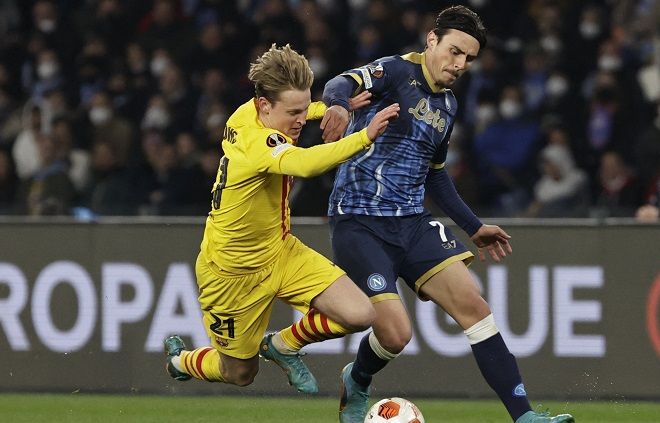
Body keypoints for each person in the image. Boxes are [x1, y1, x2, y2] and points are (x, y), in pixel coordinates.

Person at [320, 6, 574, 423]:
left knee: (475, 308)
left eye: (468, 59)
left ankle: (525, 417)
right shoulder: (395, 72)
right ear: (432, 39)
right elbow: (340, 82)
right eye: (454, 51)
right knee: (397, 334)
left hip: (413, 222)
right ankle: (358, 379)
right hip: (360, 221)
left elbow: (435, 175)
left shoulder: (448, 105)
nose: (459, 64)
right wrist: (338, 106)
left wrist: (474, 227)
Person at [163, 44, 400, 394]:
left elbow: (302, 111)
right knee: (240, 374)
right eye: (293, 112)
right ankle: (180, 361)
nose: (300, 120)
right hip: (231, 275)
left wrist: (332, 107)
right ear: (265, 106)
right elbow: (305, 164)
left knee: (360, 314)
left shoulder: (248, 113)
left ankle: (283, 345)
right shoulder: (259, 144)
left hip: (281, 252)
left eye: (303, 110)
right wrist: (364, 136)